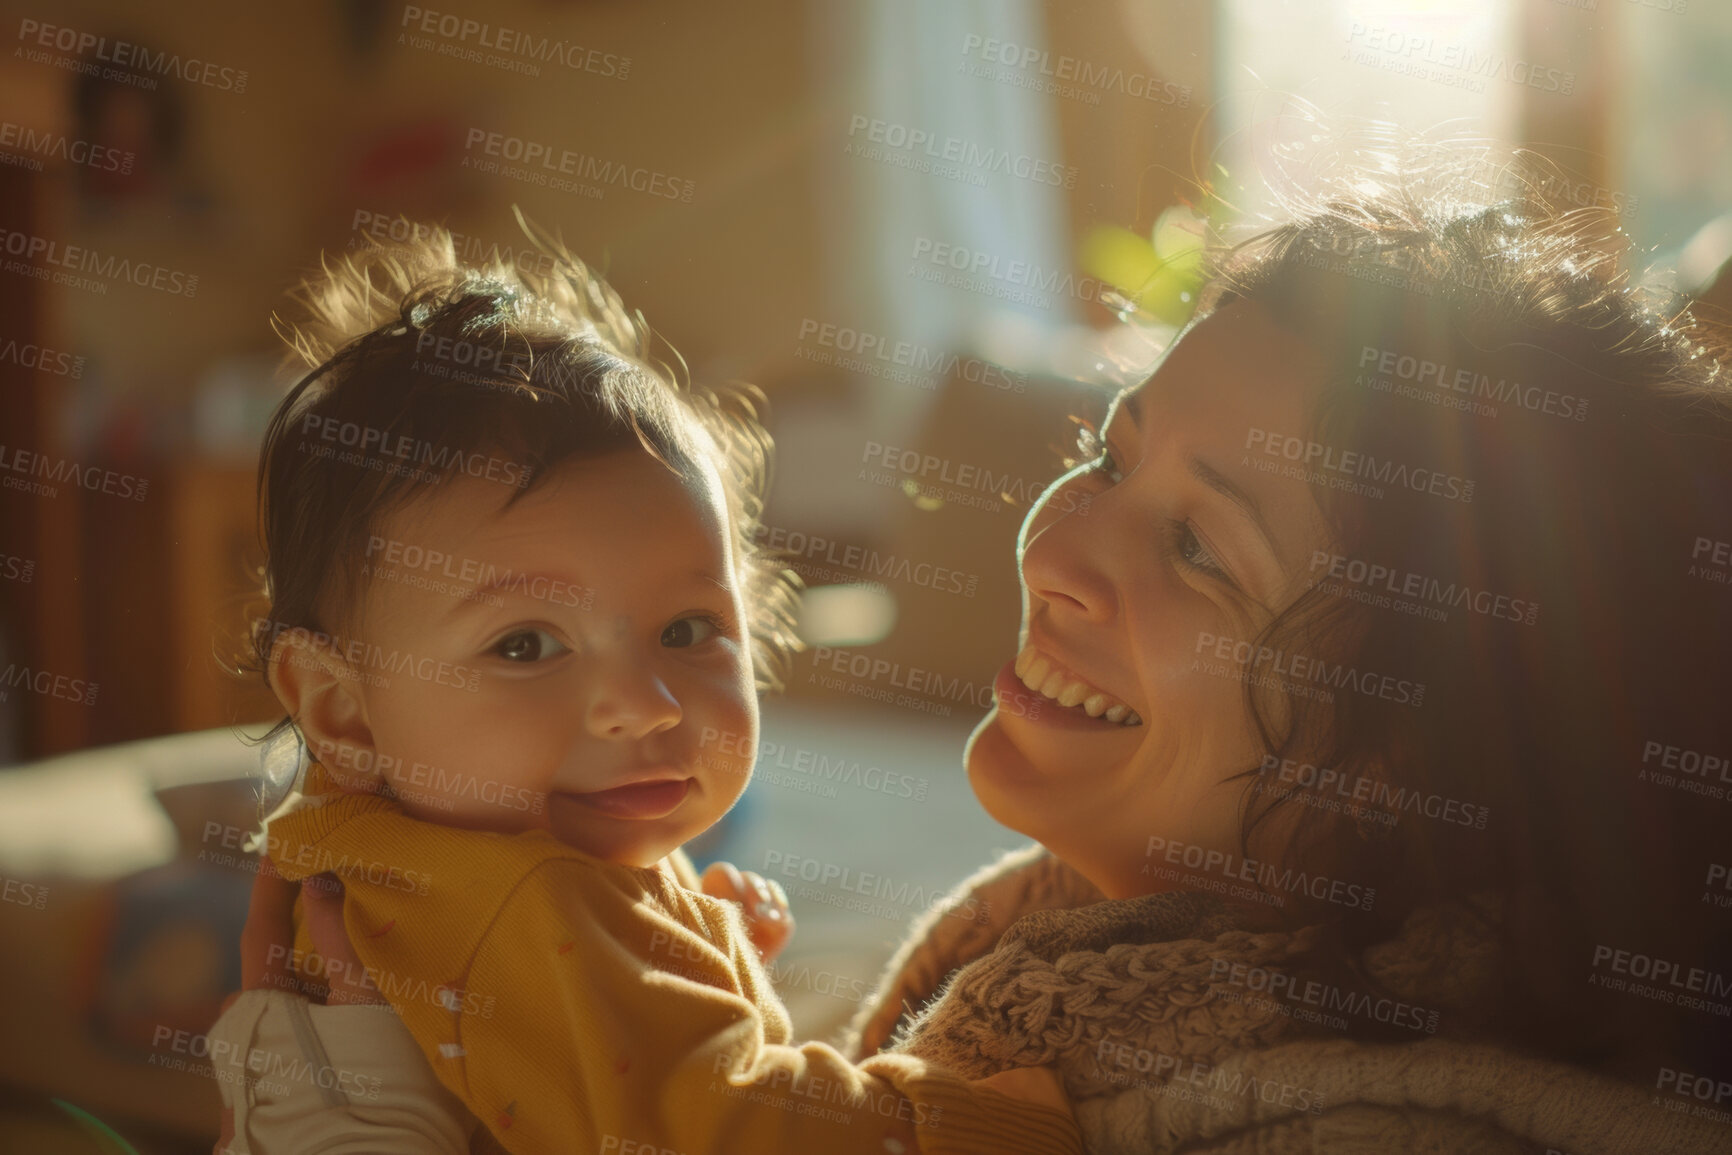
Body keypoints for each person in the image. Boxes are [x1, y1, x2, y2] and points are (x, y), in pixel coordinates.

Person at [219, 143, 1732, 1154]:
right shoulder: (1066, 936)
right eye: (1107, 450)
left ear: (1417, 753)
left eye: (1202, 548)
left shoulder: (1359, 1111)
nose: (1057, 543)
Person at [204, 220, 1081, 1155]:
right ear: (340, 706)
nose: (648, 704)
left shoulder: (398, 843)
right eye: (528, 643)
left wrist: (693, 963)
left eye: (687, 630)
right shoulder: (528, 897)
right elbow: (728, 1125)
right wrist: (982, 1121)